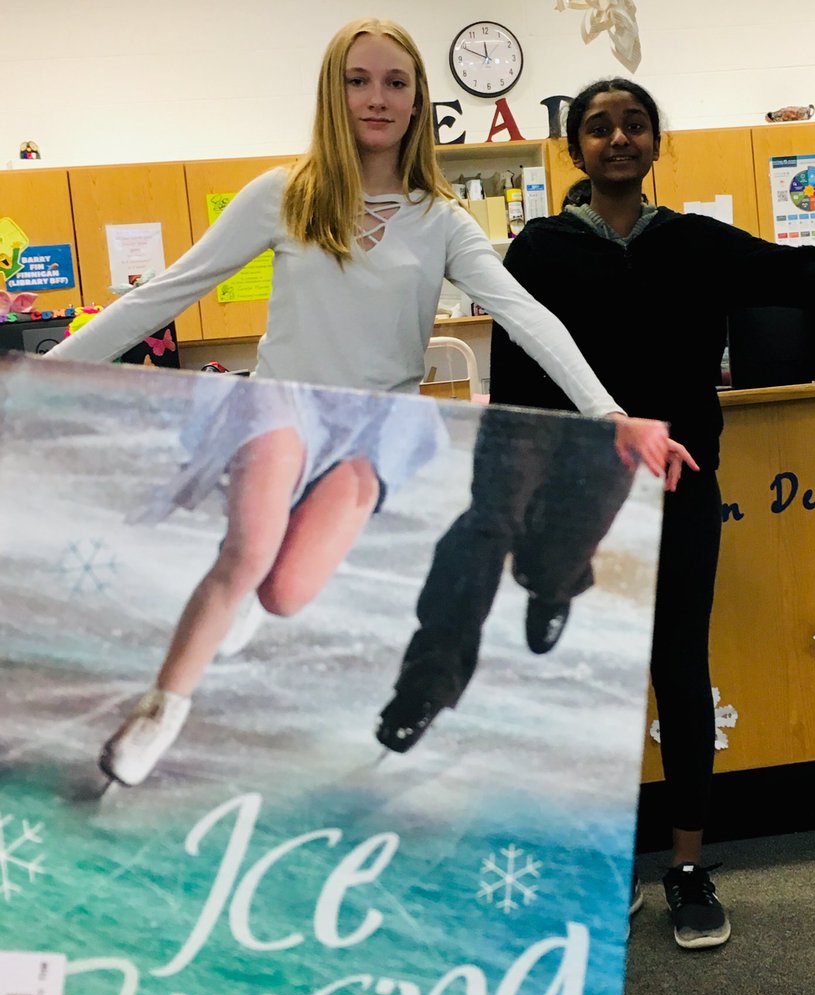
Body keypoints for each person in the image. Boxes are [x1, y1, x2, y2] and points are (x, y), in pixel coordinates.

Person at [376, 76, 815, 948]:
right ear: (574, 149)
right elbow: (515, 382)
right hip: (574, 499)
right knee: (587, 681)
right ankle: (603, 864)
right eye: (598, 128)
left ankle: (688, 866)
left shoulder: (694, 243)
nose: (618, 139)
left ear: (655, 143)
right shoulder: (540, 252)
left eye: (633, 125)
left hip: (681, 488)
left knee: (677, 666)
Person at [43, 22, 686, 788]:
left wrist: (607, 411)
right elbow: (167, 291)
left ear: (417, 101)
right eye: (357, 80)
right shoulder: (284, 195)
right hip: (282, 408)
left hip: (372, 437)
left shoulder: (442, 219)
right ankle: (161, 710)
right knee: (246, 552)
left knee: (282, 593)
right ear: (333, 92)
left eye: (394, 82)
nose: (375, 98)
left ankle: (246, 595)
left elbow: (525, 314)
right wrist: (40, 373)